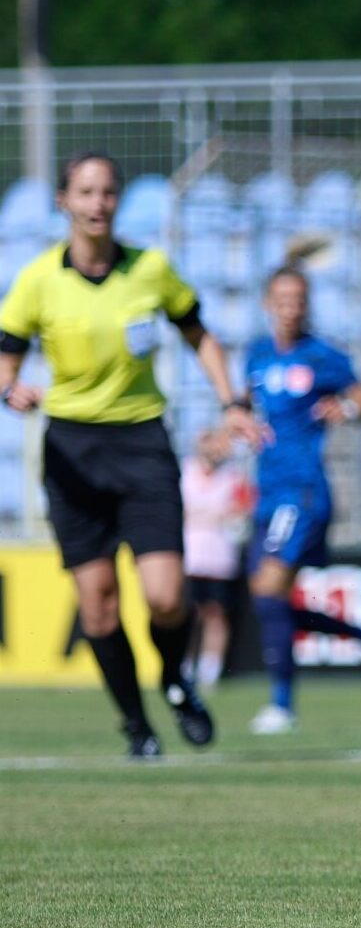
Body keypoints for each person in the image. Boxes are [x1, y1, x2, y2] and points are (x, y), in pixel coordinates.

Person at [0, 150, 263, 758]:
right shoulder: (38, 279)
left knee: (168, 597)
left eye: (108, 192)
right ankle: (137, 727)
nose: (98, 204)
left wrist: (233, 404)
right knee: (97, 608)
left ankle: (175, 680)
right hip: (71, 448)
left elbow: (200, 335)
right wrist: (11, 389)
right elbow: (7, 357)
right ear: (63, 202)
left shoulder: (151, 270)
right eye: (86, 193)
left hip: (142, 442)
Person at [243, 247, 361, 735]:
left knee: (269, 589)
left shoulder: (324, 356)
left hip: (303, 490)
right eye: (283, 298)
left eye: (299, 298)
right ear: (268, 303)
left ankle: (282, 706)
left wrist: (347, 411)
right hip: (265, 490)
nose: (291, 306)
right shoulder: (256, 354)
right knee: (268, 598)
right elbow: (247, 411)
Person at [179, 424, 254, 688]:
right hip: (189, 556)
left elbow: (241, 511)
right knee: (188, 614)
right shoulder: (184, 474)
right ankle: (183, 666)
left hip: (220, 558)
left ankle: (210, 669)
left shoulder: (233, 477)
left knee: (215, 613)